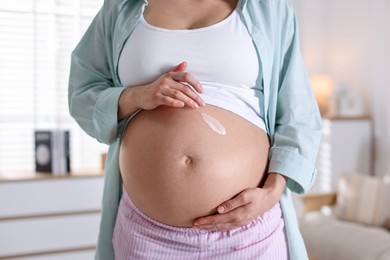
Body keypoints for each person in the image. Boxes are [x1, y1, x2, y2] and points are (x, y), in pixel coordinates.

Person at [68, 0, 322, 259]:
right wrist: (135, 96)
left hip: (248, 233)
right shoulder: (121, 7)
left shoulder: (269, 9)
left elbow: (298, 114)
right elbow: (82, 92)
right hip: (146, 237)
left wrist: (271, 193)